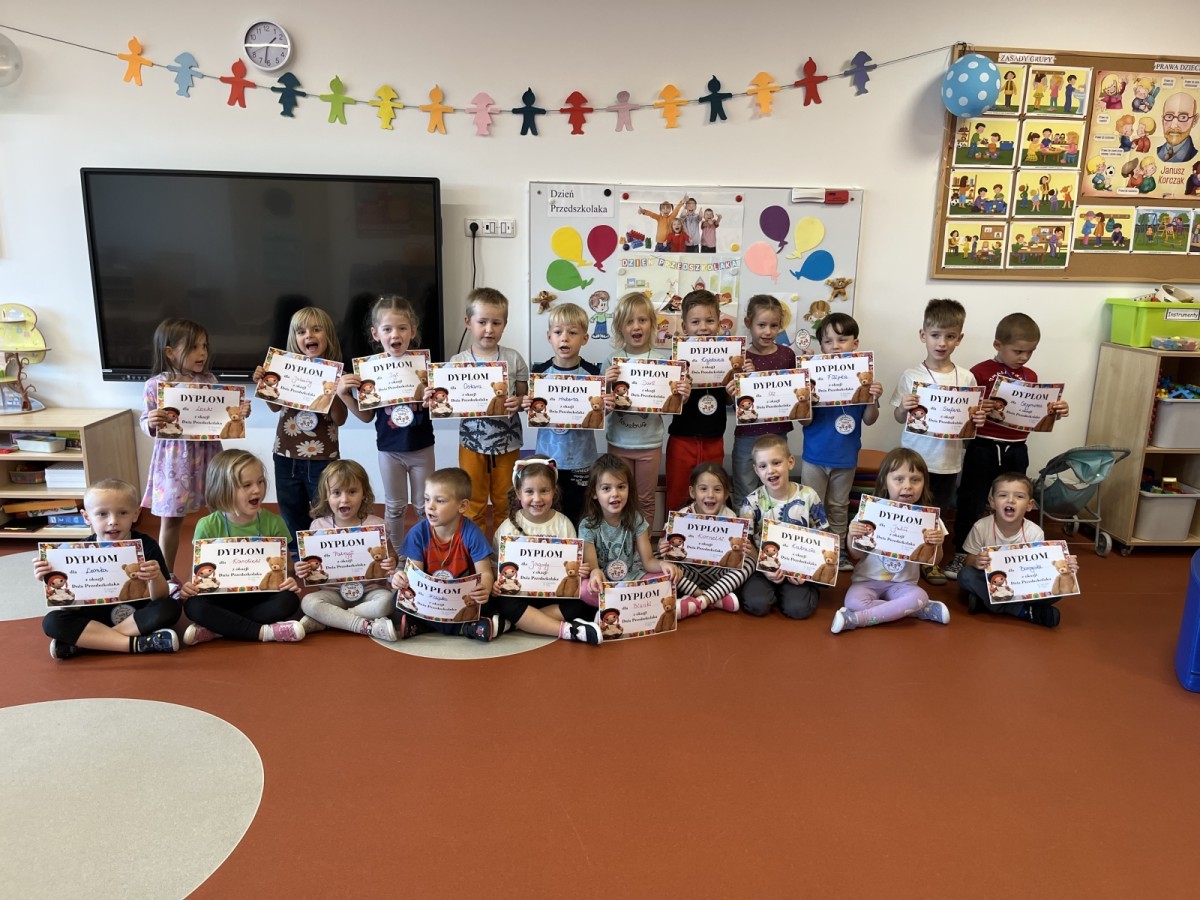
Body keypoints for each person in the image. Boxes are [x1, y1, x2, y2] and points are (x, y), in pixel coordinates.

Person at [946, 313, 1070, 580]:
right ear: (997, 345)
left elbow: (1033, 413)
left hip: (1017, 448)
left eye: (1030, 352)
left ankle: (1010, 555)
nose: (1024, 357)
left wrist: (1054, 412)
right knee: (972, 500)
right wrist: (980, 406)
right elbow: (964, 410)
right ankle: (962, 554)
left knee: (1014, 500)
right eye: (1018, 351)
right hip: (983, 446)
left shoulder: (1031, 375)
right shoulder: (979, 372)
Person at [140, 318, 246, 584]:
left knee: (219, 512)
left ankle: (225, 570)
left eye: (204, 346)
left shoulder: (209, 380)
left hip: (209, 456)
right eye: (194, 347)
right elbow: (146, 421)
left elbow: (224, 417)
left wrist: (240, 413)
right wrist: (151, 421)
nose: (202, 353)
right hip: (174, 462)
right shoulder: (155, 385)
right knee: (171, 521)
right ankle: (165, 577)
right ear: (170, 352)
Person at [891, 299, 985, 586]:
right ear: (923, 335)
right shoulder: (912, 376)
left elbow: (970, 423)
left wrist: (977, 419)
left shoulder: (966, 377)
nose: (942, 343)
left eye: (950, 336)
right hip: (915, 460)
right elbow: (897, 416)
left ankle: (930, 561)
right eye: (935, 335)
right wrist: (904, 407)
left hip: (948, 462)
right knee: (907, 510)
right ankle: (900, 557)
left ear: (959, 338)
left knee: (938, 515)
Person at [37, 479, 179, 659]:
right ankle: (136, 644)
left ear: (136, 514)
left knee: (170, 607)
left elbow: (160, 597)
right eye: (102, 514)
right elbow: (71, 608)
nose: (113, 521)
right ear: (86, 517)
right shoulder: (75, 552)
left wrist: (155, 577)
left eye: (123, 513)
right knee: (52, 622)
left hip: (136, 617)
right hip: (95, 619)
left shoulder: (147, 545)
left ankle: (90, 643)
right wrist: (50, 580)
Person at [337, 295, 434, 552]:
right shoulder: (370, 370)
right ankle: (398, 557)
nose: (395, 334)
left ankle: (425, 555)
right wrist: (344, 395)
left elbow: (440, 407)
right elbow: (367, 417)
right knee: (395, 506)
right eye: (387, 329)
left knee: (425, 506)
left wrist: (432, 398)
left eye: (402, 328)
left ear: (413, 331)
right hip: (389, 450)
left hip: (422, 448)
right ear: (375, 334)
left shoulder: (425, 367)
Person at [180, 450, 305, 645]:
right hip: (222, 598)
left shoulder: (274, 522)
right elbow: (196, 570)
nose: (257, 490)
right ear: (223, 490)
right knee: (193, 606)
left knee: (289, 600)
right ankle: (263, 632)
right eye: (247, 485)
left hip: (260, 596)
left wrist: (289, 580)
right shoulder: (207, 525)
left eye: (260, 481)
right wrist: (189, 586)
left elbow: (286, 568)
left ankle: (219, 628)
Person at [254, 306, 347, 559]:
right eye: (302, 331)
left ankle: (324, 557)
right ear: (294, 338)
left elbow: (340, 419)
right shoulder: (284, 369)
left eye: (317, 330)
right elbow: (275, 407)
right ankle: (298, 557)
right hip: (286, 455)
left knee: (325, 510)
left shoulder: (336, 373)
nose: (309, 336)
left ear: (328, 335)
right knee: (291, 510)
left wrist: (335, 392)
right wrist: (264, 384)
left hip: (323, 458)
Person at [832, 448, 951, 634]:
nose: (908, 486)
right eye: (899, 479)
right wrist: (851, 536)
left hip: (904, 585)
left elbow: (934, 561)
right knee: (853, 602)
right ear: (885, 481)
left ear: (924, 484)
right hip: (867, 581)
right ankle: (919, 609)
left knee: (919, 595)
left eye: (915, 480)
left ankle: (857, 619)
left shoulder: (930, 520)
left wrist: (937, 544)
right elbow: (855, 555)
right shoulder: (869, 512)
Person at [801, 313, 882, 572]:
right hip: (814, 456)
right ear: (821, 345)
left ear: (855, 343)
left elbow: (870, 420)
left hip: (845, 457)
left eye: (842, 339)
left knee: (838, 506)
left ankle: (839, 549)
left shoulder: (863, 377)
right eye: (828, 341)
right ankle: (811, 549)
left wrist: (872, 398)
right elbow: (804, 422)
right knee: (811, 505)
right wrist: (806, 397)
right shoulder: (812, 374)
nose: (835, 346)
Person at [489, 457, 601, 644]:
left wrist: (582, 571)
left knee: (581, 605)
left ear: (554, 491)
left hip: (552, 596)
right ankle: (567, 630)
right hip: (520, 596)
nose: (537, 498)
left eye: (544, 491)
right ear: (518, 493)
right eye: (529, 491)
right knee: (502, 601)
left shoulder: (564, 524)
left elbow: (574, 566)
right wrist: (495, 582)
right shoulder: (507, 528)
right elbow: (495, 565)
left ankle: (517, 623)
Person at [603, 291, 687, 526]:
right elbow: (602, 408)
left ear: (652, 324)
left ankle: (643, 545)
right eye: (629, 321)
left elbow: (671, 406)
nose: (636, 326)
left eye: (642, 320)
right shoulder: (611, 361)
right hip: (618, 442)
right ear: (620, 327)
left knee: (645, 500)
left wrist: (683, 396)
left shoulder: (663, 362)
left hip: (649, 444)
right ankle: (620, 543)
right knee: (617, 499)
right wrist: (606, 383)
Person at [448, 287, 527, 532]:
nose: (489, 329)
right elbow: (447, 403)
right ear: (468, 322)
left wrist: (519, 401)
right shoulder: (457, 363)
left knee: (506, 500)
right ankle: (477, 549)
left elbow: (525, 398)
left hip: (508, 443)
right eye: (482, 322)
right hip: (471, 444)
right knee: (472, 502)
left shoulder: (514, 358)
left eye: (496, 322)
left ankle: (505, 547)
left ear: (505, 325)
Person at [390, 467, 499, 641]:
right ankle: (465, 628)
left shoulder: (472, 533)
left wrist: (484, 589)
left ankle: (421, 625)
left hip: (462, 598)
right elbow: (415, 576)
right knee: (397, 599)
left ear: (462, 506)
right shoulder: (419, 533)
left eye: (439, 501)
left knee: (491, 600)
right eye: (427, 499)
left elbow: (485, 573)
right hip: (431, 599)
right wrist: (401, 578)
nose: (430, 506)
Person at [296, 460, 399, 641]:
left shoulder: (376, 525)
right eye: (336, 493)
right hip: (333, 593)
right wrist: (302, 569)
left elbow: (392, 555)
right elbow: (311, 565)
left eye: (352, 492)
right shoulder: (318, 526)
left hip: (370, 592)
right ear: (326, 495)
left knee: (388, 602)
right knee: (308, 602)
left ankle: (329, 620)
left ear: (364, 494)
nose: (344, 499)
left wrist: (392, 561)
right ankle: (365, 626)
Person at [957, 473, 1074, 628]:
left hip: (1022, 585)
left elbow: (1043, 570)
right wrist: (977, 561)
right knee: (965, 575)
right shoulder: (981, 527)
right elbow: (968, 560)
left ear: (1029, 505)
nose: (1010, 500)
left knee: (1058, 590)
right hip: (992, 583)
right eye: (1003, 495)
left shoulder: (1034, 532)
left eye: (1019, 496)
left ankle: (985, 603)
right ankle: (1020, 610)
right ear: (992, 502)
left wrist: (1065, 567)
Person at [526, 303, 608, 523]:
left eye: (572, 333)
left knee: (579, 511)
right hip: (547, 458)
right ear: (549, 337)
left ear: (585, 338)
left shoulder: (593, 374)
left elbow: (599, 415)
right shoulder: (539, 373)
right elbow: (534, 413)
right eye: (558, 332)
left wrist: (606, 408)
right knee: (548, 510)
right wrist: (527, 405)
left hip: (582, 459)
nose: (564, 338)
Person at [738, 434, 828, 620]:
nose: (770, 470)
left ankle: (802, 591)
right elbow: (746, 545)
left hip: (798, 567)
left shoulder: (809, 496)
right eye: (763, 466)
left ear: (790, 462)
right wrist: (764, 568)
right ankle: (772, 592)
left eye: (776, 463)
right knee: (756, 604)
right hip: (762, 567)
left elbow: (823, 537)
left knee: (798, 609)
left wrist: (807, 571)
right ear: (756, 470)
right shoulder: (751, 502)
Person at [579, 454, 679, 606]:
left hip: (633, 579)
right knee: (584, 589)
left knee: (669, 579)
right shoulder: (587, 526)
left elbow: (648, 561)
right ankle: (631, 606)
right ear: (594, 493)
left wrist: (662, 565)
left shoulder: (636, 519)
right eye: (606, 488)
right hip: (605, 584)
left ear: (628, 489)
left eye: (621, 487)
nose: (615, 494)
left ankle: (619, 605)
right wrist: (595, 574)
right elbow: (594, 569)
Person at [658, 463, 748, 619]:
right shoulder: (682, 516)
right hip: (688, 574)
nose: (710, 495)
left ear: (726, 494)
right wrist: (663, 547)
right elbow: (662, 544)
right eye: (703, 489)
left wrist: (743, 551)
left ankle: (700, 601)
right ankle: (711, 598)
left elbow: (736, 555)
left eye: (717, 489)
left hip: (718, 575)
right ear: (692, 492)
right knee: (659, 561)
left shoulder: (731, 518)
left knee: (749, 562)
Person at [730, 295, 795, 509]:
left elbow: (795, 392)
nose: (768, 331)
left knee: (776, 491)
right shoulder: (739, 357)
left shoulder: (787, 355)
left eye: (774, 325)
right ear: (748, 323)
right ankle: (746, 529)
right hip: (747, 436)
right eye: (761, 325)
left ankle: (771, 529)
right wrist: (734, 389)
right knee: (745, 491)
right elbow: (733, 402)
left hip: (777, 435)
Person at [665, 290, 728, 511]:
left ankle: (707, 534)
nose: (703, 327)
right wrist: (680, 395)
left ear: (719, 322)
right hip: (682, 439)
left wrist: (738, 383)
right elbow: (668, 405)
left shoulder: (728, 355)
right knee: (678, 495)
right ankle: (672, 532)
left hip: (714, 438)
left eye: (710, 321)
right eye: (695, 322)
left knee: (711, 497)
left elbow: (730, 399)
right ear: (684, 327)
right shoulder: (675, 359)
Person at [1157, 92, 1197, 164]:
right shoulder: (1157, 152)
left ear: (1194, 121)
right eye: (1169, 116)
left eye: (1183, 117)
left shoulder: (1195, 155)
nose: (1173, 126)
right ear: (1162, 119)